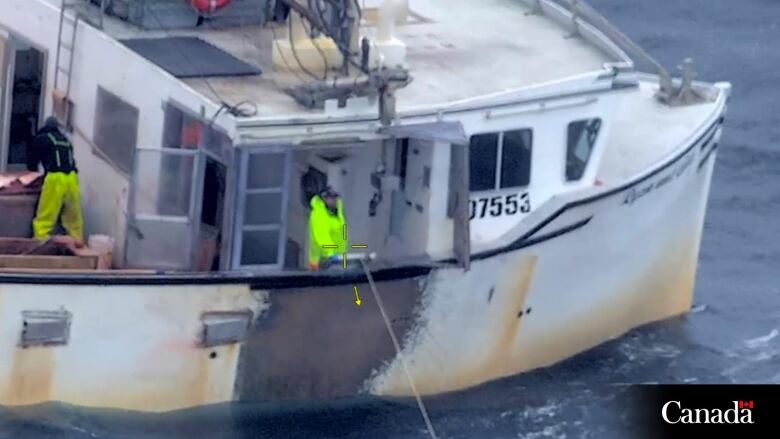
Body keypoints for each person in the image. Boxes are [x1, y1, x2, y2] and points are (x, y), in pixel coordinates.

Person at [26, 116, 84, 246]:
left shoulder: (41, 138)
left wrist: (34, 174)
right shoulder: (65, 140)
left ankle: (39, 241)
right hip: (72, 178)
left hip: (55, 178)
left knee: (46, 214)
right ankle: (78, 241)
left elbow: (32, 162)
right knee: (73, 216)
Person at [308, 186, 346, 270]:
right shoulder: (319, 214)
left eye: (335, 197)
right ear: (324, 198)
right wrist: (330, 253)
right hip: (321, 262)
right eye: (331, 198)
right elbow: (321, 237)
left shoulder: (337, 213)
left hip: (336, 261)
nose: (334, 200)